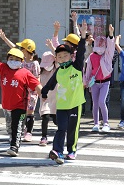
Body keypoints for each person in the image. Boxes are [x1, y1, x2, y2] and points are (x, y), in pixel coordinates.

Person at [0, 47, 42, 156]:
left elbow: (37, 85)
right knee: (10, 127)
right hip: (6, 106)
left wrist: (44, 97)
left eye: (17, 59)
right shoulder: (3, 68)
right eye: (11, 58)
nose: (13, 61)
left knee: (17, 126)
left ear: (22, 62)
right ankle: (13, 139)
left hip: (20, 106)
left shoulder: (25, 73)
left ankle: (14, 147)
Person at [41, 20, 87, 165]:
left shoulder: (77, 67)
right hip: (62, 106)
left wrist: (83, 35)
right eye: (59, 56)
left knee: (72, 130)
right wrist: (43, 94)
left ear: (70, 56)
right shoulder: (59, 71)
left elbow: (81, 52)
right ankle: (57, 151)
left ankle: (72, 150)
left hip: (75, 104)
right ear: (56, 59)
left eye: (65, 56)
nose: (62, 58)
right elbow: (49, 85)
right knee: (61, 129)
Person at [0, 29, 40, 142]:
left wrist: (35, 92)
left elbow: (37, 78)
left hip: (31, 91)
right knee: (21, 112)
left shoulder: (34, 63)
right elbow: (13, 48)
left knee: (30, 111)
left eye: (22, 48)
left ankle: (29, 132)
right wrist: (5, 39)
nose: (19, 49)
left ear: (27, 50)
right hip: (20, 90)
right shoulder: (19, 59)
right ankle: (19, 132)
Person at [84, 24, 115, 133]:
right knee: (95, 103)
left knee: (102, 101)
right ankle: (96, 123)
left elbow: (111, 47)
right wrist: (85, 81)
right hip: (94, 82)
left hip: (105, 82)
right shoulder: (92, 56)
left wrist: (111, 35)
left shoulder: (107, 54)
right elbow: (88, 70)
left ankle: (106, 123)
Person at [39, 51, 58, 146]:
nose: (47, 66)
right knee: (45, 117)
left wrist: (52, 47)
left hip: (56, 98)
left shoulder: (56, 69)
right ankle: (44, 136)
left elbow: (60, 58)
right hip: (45, 98)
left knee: (56, 120)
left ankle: (63, 133)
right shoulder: (41, 71)